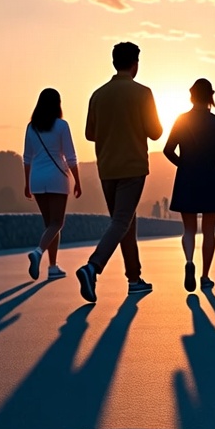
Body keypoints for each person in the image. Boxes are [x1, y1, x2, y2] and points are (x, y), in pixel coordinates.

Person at [75, 41, 163, 304]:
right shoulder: (142, 93)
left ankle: (134, 279)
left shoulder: (98, 95)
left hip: (107, 167)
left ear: (114, 63)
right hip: (133, 167)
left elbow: (90, 134)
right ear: (135, 64)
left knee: (126, 222)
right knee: (122, 222)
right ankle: (93, 266)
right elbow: (156, 132)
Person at [163, 78, 215, 291]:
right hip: (212, 178)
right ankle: (205, 276)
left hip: (187, 178)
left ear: (191, 96)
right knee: (209, 230)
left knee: (189, 229)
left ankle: (189, 261)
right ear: (210, 96)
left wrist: (183, 164)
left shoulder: (181, 120)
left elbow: (167, 149)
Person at [23, 88, 81, 281]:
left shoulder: (31, 127)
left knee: (50, 224)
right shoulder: (62, 126)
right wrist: (78, 180)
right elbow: (71, 157)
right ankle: (39, 252)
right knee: (58, 222)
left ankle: (53, 266)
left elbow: (27, 158)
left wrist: (26, 183)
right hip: (57, 177)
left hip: (37, 178)